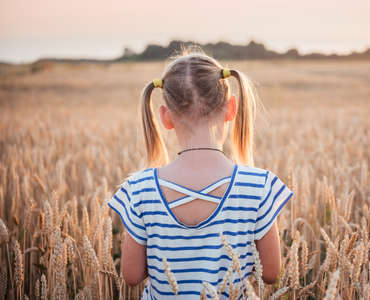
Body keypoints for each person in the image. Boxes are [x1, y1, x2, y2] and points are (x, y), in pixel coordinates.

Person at [108, 48, 293, 299]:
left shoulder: (140, 189)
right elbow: (271, 273)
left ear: (165, 117)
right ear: (231, 108)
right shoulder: (258, 186)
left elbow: (131, 275)